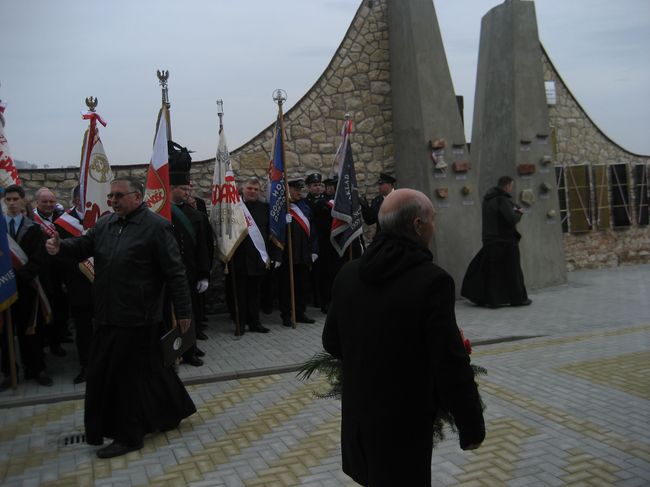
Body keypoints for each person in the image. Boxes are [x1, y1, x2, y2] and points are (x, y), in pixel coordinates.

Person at [323, 188, 485, 486]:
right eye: (432, 220)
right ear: (417, 225)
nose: (434, 227)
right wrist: (471, 427)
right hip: (404, 426)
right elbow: (449, 364)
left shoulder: (348, 274)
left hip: (360, 421)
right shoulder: (432, 281)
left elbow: (331, 342)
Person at [45, 176, 196, 458]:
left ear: (137, 198)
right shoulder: (105, 224)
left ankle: (129, 436)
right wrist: (60, 247)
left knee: (121, 379)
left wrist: (184, 312)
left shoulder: (157, 228)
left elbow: (175, 273)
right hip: (107, 313)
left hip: (138, 317)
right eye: (110, 196)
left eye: (118, 196)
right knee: (152, 371)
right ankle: (174, 411)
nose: (112, 201)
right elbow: (83, 246)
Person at [0, 185, 53, 389]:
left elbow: (38, 259)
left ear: (23, 201)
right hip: (4, 288)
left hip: (27, 287)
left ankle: (36, 368)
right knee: (5, 333)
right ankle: (8, 372)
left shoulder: (33, 228)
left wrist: (19, 277)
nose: (12, 203)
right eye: (8, 199)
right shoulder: (1, 228)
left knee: (31, 330)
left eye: (15, 199)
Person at [168, 141, 211, 365]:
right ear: (172, 188)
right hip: (167, 273)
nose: (188, 192)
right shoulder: (159, 214)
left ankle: (190, 349)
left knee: (190, 312)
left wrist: (204, 274)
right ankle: (172, 349)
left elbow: (203, 247)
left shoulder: (195, 215)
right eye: (184, 189)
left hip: (190, 272)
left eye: (188, 189)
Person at [461, 176, 531, 308]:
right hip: (506, 241)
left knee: (493, 272)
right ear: (507, 186)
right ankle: (518, 299)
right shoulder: (502, 200)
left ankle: (494, 300)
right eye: (511, 186)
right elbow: (511, 218)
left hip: (490, 241)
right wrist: (519, 213)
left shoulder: (488, 200)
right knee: (512, 271)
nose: (511, 189)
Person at [53, 185, 94, 384]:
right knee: (83, 328)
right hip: (78, 282)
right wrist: (82, 267)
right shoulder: (62, 223)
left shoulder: (103, 215)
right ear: (78, 200)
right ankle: (86, 365)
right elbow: (60, 255)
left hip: (105, 283)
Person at [230, 177, 270, 333]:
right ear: (242, 190)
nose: (253, 192)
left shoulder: (264, 208)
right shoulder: (235, 208)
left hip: (258, 259)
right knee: (239, 294)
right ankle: (240, 324)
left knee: (255, 293)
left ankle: (255, 323)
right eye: (249, 188)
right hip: (239, 259)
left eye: (256, 189)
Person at [276, 178, 318, 327]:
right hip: (287, 255)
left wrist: (314, 250)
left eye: (300, 189)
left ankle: (300, 313)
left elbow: (312, 230)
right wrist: (283, 221)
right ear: (288, 190)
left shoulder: (305, 208)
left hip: (303, 254)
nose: (299, 192)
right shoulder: (281, 208)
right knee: (286, 287)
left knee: (301, 286)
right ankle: (287, 315)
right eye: (296, 189)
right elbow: (275, 231)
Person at [33, 187, 69, 358]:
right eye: (44, 202)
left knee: (60, 308)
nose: (48, 205)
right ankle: (44, 343)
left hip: (60, 272)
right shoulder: (31, 221)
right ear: (37, 203)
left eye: (51, 202)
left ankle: (57, 342)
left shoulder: (64, 219)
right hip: (41, 273)